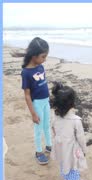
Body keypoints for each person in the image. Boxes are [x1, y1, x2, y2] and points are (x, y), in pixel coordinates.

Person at [50, 82, 88, 180]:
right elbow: (81, 138)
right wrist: (84, 150)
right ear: (72, 103)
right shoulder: (76, 120)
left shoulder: (55, 116)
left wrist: (58, 138)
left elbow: (53, 129)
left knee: (63, 164)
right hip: (71, 148)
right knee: (73, 166)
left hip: (60, 146)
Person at [21, 37, 52, 165]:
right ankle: (39, 152)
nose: (45, 59)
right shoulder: (26, 73)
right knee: (38, 128)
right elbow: (27, 95)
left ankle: (49, 146)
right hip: (37, 104)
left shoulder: (41, 67)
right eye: (43, 56)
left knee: (46, 125)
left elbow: (42, 84)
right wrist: (33, 113)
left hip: (46, 101)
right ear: (34, 56)